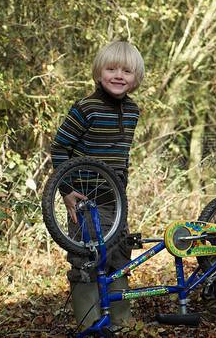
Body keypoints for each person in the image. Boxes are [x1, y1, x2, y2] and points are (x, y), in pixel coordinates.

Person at [50, 41, 144, 330]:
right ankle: (90, 323)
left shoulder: (132, 110)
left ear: (135, 77)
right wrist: (66, 191)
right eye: (111, 68)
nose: (118, 75)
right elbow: (59, 149)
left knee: (118, 256)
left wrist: (122, 189)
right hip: (85, 200)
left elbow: (122, 156)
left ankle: (120, 320)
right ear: (98, 72)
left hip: (115, 200)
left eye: (126, 71)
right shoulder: (85, 108)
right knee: (87, 259)